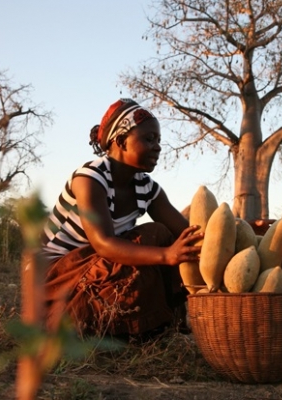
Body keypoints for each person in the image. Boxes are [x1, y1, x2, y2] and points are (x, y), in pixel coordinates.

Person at [41, 98, 202, 340]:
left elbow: (190, 233)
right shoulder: (90, 178)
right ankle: (67, 320)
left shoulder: (147, 188)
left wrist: (247, 230)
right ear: (121, 141)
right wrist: (167, 256)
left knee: (174, 240)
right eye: (149, 139)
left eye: (159, 141)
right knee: (155, 236)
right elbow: (104, 244)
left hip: (96, 269)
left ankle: (166, 325)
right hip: (56, 277)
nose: (158, 147)